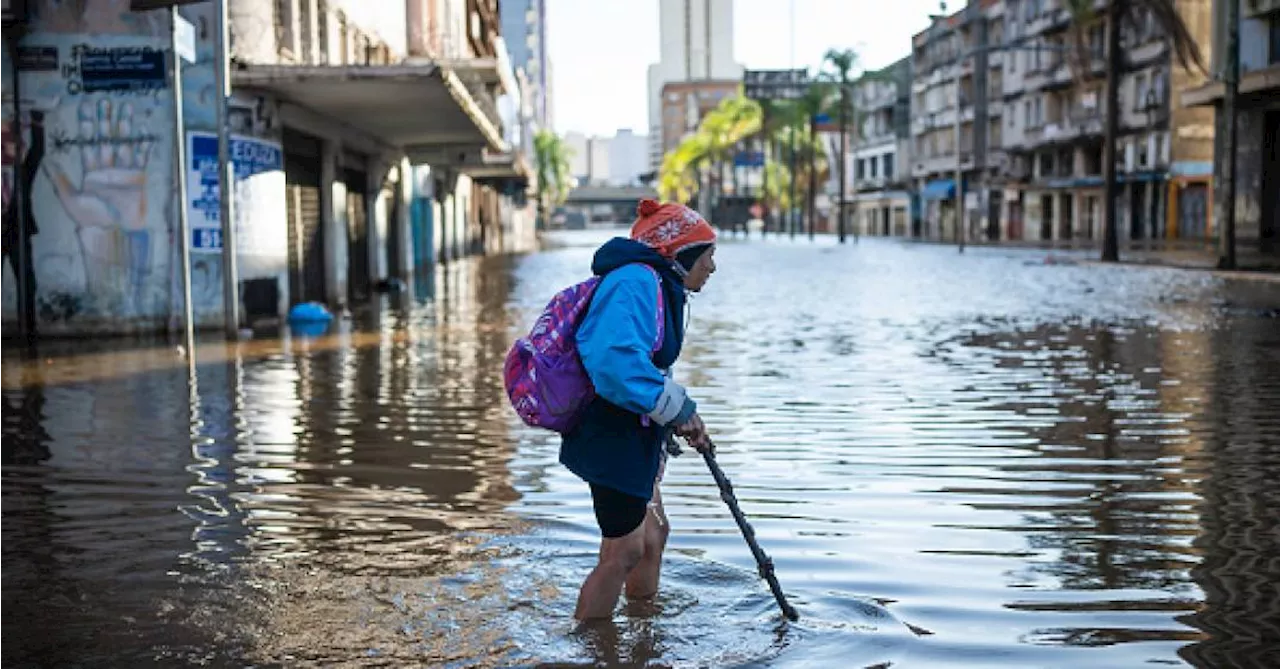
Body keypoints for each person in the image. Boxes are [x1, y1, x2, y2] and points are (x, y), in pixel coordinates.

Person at [562, 198, 718, 621]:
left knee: (653, 536)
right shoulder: (635, 282)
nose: (713, 266)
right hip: (611, 432)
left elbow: (648, 366)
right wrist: (679, 409)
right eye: (707, 255)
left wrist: (677, 420)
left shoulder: (658, 285)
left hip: (636, 430)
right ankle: (589, 645)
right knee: (625, 549)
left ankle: (642, 632)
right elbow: (613, 363)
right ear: (681, 254)